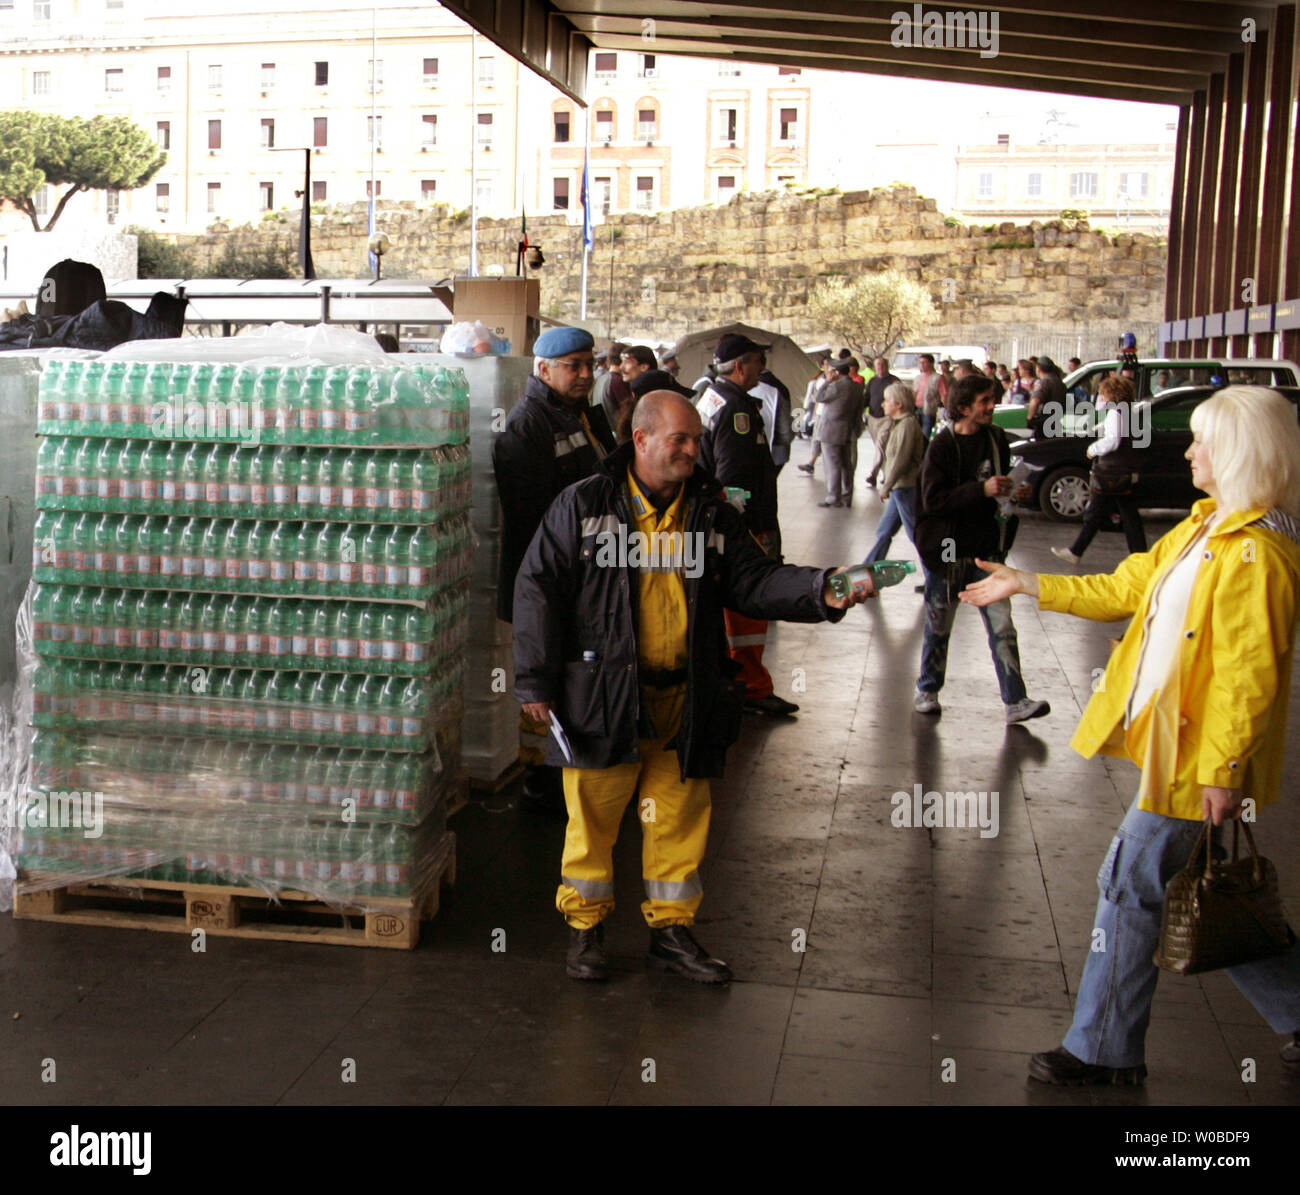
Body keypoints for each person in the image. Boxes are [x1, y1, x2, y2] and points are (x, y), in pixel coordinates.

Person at [960, 385, 1300, 1086]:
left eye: (1202, 440)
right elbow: (1122, 588)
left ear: (1237, 451)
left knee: (1129, 885)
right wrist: (1027, 583)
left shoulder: (1254, 555)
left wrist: (1224, 769)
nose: (1188, 451)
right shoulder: (1206, 529)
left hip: (1198, 762)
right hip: (1182, 757)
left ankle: (1103, 1049)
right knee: (1210, 894)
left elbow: (1248, 674)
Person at [512, 391, 873, 982]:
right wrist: (533, 680)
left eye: (696, 440)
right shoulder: (584, 506)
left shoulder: (709, 513)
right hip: (603, 698)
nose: (690, 450)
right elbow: (538, 591)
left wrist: (823, 589)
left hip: (687, 696)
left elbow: (755, 582)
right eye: (679, 439)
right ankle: (585, 929)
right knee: (593, 820)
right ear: (642, 440)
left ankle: (671, 932)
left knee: (680, 821)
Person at [493, 326, 617, 817]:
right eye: (574, 366)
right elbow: (531, 522)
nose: (586, 374)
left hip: (587, 575)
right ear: (543, 370)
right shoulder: (528, 426)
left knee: (578, 675)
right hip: (550, 581)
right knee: (542, 679)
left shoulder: (582, 414)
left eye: (590, 365)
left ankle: (571, 773)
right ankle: (539, 785)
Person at [912, 373, 1051, 723]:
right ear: (963, 408)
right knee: (939, 623)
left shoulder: (995, 439)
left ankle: (1015, 701)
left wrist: (1010, 491)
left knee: (1002, 624)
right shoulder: (942, 446)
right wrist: (981, 490)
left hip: (986, 550)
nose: (991, 407)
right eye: (984, 402)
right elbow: (933, 501)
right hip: (947, 551)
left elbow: (997, 485)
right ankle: (927, 689)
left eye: (992, 400)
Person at [696, 333, 800, 717]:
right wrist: (746, 531)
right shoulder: (737, 410)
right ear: (739, 366)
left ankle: (735, 680)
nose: (762, 368)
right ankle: (752, 686)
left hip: (722, 527)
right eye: (757, 361)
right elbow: (734, 477)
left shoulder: (712, 397)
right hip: (747, 528)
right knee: (750, 607)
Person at [1050, 374, 1148, 564]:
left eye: (1103, 393)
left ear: (1112, 393)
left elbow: (1113, 440)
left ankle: (1076, 552)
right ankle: (1139, 555)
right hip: (1123, 471)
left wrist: (1092, 449)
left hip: (1110, 472)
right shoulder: (1126, 411)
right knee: (1127, 516)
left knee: (1095, 514)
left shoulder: (1115, 413)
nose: (1101, 397)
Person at [863, 382, 925, 563]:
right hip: (900, 487)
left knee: (917, 535)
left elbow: (900, 460)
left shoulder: (907, 425)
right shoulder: (898, 424)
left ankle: (937, 575)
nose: (883, 404)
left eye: (886, 400)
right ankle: (869, 568)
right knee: (884, 531)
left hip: (905, 487)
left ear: (898, 404)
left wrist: (886, 485)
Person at [815, 358, 859, 508]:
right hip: (846, 429)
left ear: (837, 372)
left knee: (832, 464)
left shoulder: (836, 386)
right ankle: (848, 495)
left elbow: (819, 397)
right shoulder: (856, 387)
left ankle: (834, 496)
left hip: (830, 430)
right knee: (847, 464)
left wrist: (827, 381)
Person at [751, 359, 794, 472]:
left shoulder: (754, 387)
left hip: (767, 452)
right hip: (778, 454)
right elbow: (786, 434)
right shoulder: (780, 387)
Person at [864, 356, 898, 486]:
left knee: (880, 444)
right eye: (878, 365)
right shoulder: (872, 381)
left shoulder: (893, 380)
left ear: (887, 366)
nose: (880, 367)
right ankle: (886, 474)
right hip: (873, 418)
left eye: (883, 365)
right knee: (881, 448)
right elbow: (867, 397)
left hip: (887, 418)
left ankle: (873, 474)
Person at [614, 345, 657, 441]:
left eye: (627, 362)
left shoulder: (653, 399)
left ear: (644, 367)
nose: (621, 367)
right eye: (622, 362)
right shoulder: (635, 392)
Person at [798, 358, 833, 474]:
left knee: (825, 441)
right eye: (825, 365)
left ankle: (822, 464)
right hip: (819, 413)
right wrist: (814, 413)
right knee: (816, 439)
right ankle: (811, 463)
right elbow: (817, 397)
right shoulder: (820, 380)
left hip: (828, 415)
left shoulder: (833, 380)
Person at [1027, 355, 1066, 436]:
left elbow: (1035, 401)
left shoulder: (1045, 383)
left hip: (1044, 424)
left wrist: (1030, 418)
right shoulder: (1060, 383)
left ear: (1038, 368)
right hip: (1056, 424)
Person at [913, 353, 946, 440]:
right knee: (915, 434)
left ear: (931, 363)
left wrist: (943, 411)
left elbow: (944, 395)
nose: (921, 365)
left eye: (924, 362)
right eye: (920, 363)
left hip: (929, 410)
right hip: (916, 409)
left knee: (925, 434)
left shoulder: (938, 378)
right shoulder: (918, 378)